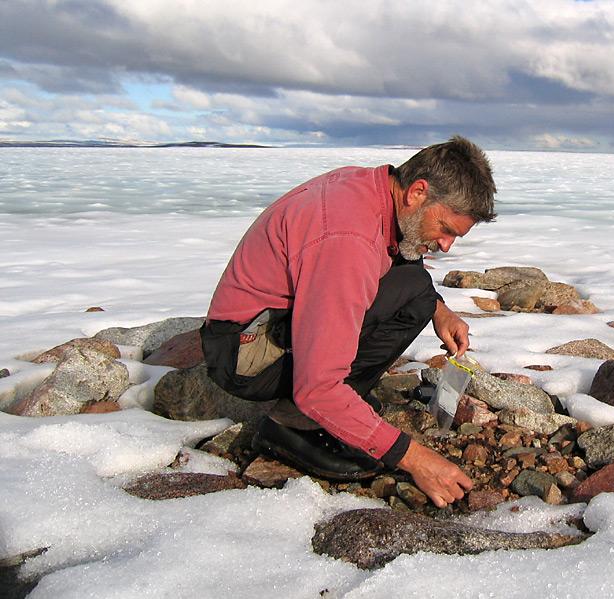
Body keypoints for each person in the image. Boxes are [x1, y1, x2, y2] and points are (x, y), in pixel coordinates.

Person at [200, 136, 496, 508]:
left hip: (261, 325)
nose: (447, 245)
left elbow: (399, 265)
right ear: (418, 192)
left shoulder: (371, 187)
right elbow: (318, 386)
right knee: (329, 385)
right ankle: (291, 425)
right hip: (244, 354)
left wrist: (440, 310)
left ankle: (339, 409)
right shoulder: (347, 239)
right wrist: (415, 459)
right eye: (447, 229)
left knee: (417, 288)